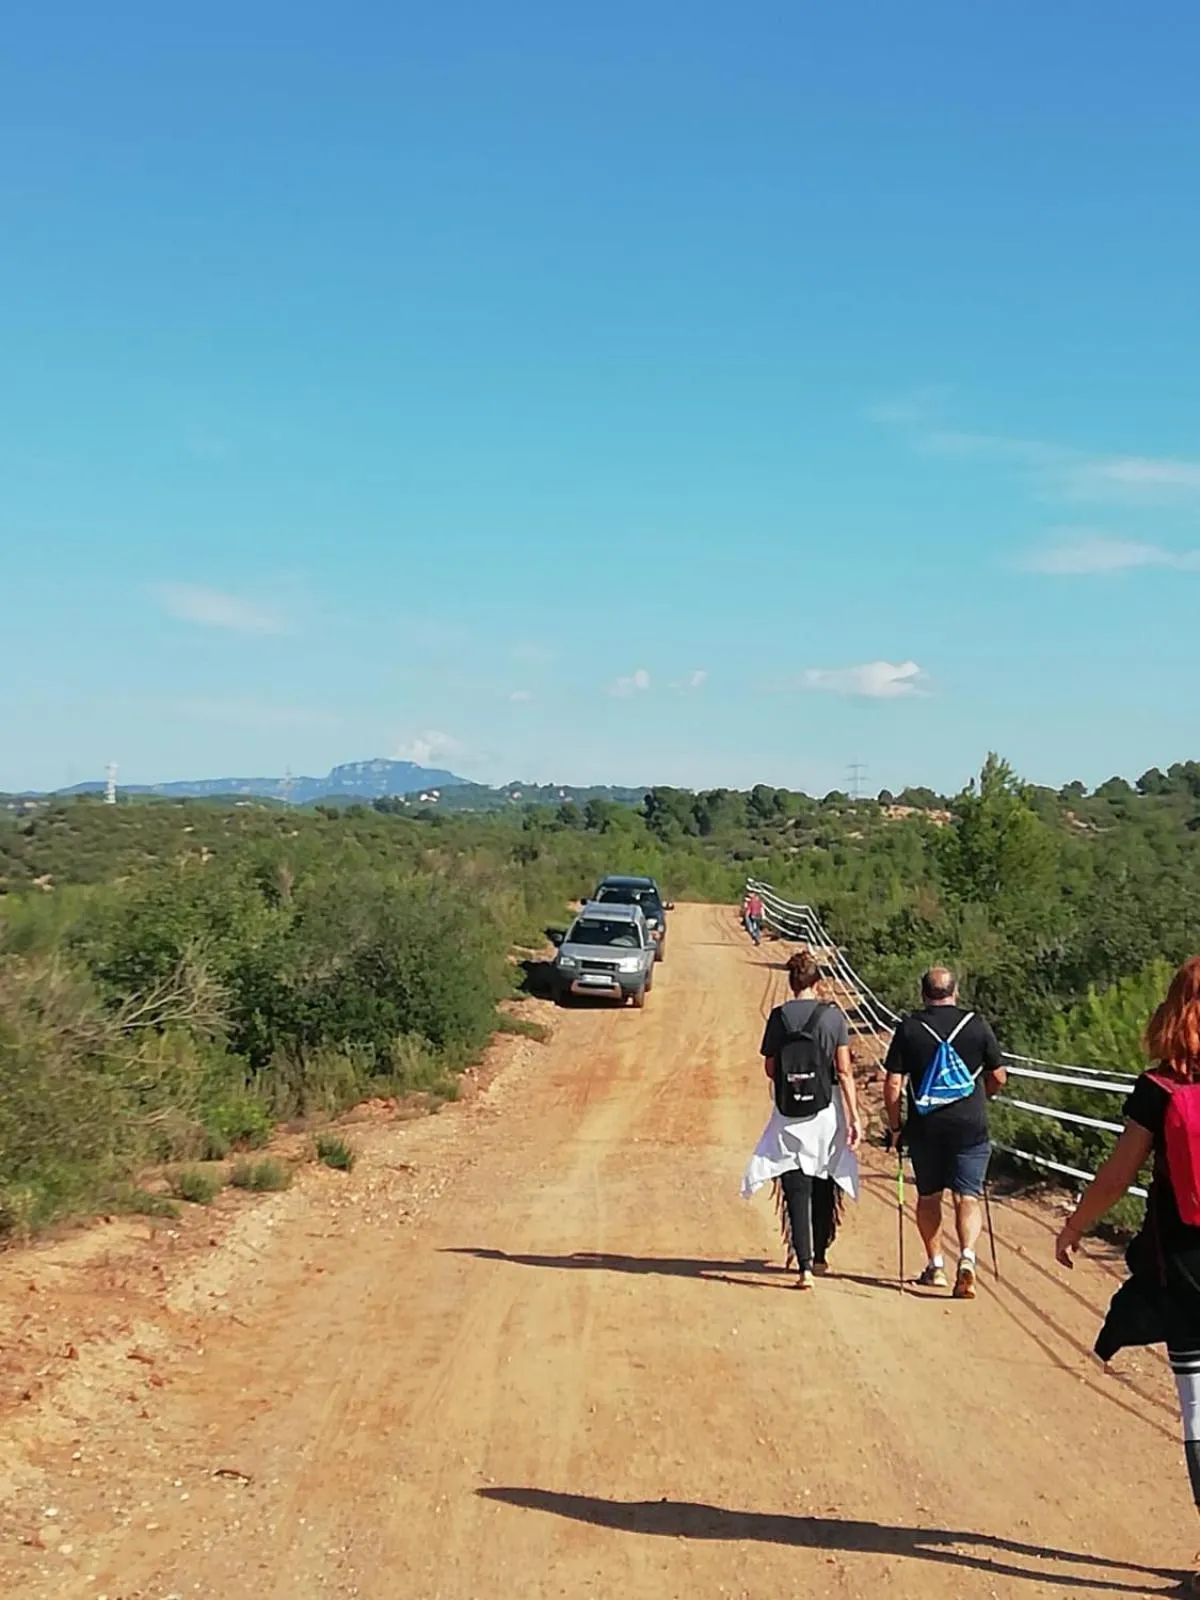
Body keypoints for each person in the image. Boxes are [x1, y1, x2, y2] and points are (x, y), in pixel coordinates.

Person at [1056, 956, 1200, 1589]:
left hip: (1186, 1268)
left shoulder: (1158, 1087)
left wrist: (1075, 1225)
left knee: (1199, 1410)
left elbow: (1117, 1176)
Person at [883, 966, 1006, 1298]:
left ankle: (936, 1266)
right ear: (956, 992)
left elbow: (893, 1084)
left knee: (929, 1196)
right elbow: (999, 1076)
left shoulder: (909, 1028)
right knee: (968, 1196)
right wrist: (984, 1095)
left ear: (923, 993)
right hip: (970, 1125)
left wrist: (895, 1127)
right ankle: (967, 1257)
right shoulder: (976, 1024)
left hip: (925, 1128)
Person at [742, 949, 862, 1288]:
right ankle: (820, 1253)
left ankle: (804, 1266)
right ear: (818, 982)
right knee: (824, 1180)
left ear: (792, 982)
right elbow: (844, 1070)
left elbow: (770, 1068)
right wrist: (855, 1116)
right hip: (826, 1111)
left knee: (795, 1185)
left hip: (788, 1112)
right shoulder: (833, 1018)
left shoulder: (778, 1017)